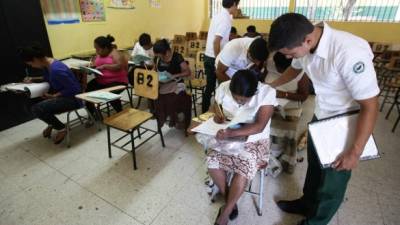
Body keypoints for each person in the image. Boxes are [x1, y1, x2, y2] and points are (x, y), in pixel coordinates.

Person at [268, 13, 380, 225]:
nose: (291, 57)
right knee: (315, 167)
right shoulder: (304, 43)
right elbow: (294, 70)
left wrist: (355, 152)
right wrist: (270, 87)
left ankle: (316, 222)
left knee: (333, 180)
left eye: (290, 53)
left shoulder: (348, 52)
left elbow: (370, 105)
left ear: (307, 40)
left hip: (346, 122)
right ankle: (307, 203)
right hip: (322, 116)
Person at [206, 69, 276, 225]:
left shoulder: (267, 93)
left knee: (243, 168)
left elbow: (259, 126)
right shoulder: (224, 87)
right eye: (236, 99)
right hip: (229, 133)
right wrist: (217, 115)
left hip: (255, 139)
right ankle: (229, 199)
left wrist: (231, 133)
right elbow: (215, 107)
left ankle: (225, 213)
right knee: (212, 161)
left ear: (254, 92)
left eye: (243, 101)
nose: (239, 103)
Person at [18, 44, 82, 144]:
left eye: (30, 64)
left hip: (74, 99)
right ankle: (51, 122)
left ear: (35, 59)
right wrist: (33, 79)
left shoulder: (56, 69)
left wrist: (54, 96)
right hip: (62, 95)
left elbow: (75, 89)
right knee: (28, 104)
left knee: (37, 109)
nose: (31, 66)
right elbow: (48, 78)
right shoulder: (47, 65)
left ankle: (61, 128)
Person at [265, 52, 309, 174]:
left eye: (283, 70)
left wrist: (283, 94)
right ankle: (266, 153)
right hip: (271, 100)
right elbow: (263, 79)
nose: (280, 71)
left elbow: (304, 96)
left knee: (288, 127)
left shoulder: (301, 72)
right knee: (262, 121)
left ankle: (286, 159)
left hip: (291, 103)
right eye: (278, 68)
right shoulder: (269, 63)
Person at [202, 0, 240, 113]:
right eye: (237, 5)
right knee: (222, 87)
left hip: (208, 56)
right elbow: (216, 41)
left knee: (209, 87)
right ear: (233, 4)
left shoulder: (217, 16)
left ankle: (204, 112)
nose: (237, 8)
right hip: (215, 57)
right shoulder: (226, 19)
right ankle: (220, 112)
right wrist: (218, 61)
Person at [86, 35, 129, 119]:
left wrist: (105, 66)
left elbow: (119, 66)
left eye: (98, 49)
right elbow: (96, 63)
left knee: (109, 94)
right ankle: (92, 114)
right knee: (87, 90)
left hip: (118, 81)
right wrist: (92, 68)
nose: (96, 51)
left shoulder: (115, 53)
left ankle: (120, 113)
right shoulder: (99, 54)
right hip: (101, 81)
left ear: (105, 48)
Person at [153, 39, 192, 131]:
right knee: (157, 98)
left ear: (166, 52)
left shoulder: (177, 57)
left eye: (160, 55)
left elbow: (187, 72)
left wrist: (174, 75)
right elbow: (154, 71)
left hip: (177, 82)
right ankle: (168, 116)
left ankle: (175, 116)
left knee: (171, 98)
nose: (159, 57)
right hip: (163, 84)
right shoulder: (158, 58)